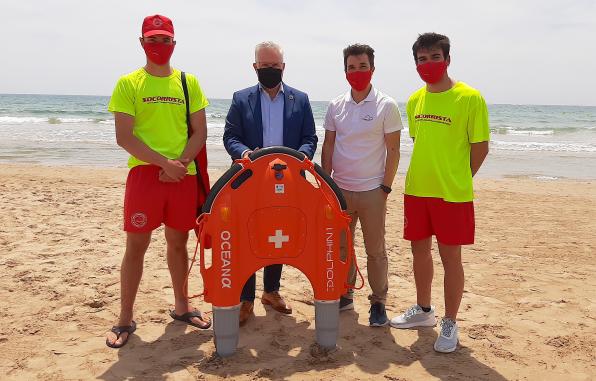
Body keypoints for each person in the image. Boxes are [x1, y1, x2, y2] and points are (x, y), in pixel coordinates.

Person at [105, 14, 211, 348]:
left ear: (174, 43)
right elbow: (125, 137)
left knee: (178, 244)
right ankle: (124, 319)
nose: (159, 46)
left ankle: (182, 307)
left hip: (183, 174)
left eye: (165, 40)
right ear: (142, 43)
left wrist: (179, 164)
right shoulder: (128, 83)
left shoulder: (187, 82)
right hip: (144, 175)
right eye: (153, 40)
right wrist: (164, 163)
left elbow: (200, 132)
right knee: (136, 246)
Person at [390, 33, 490, 353]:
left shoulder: (470, 97)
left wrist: (461, 177)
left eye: (434, 57)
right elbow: (423, 143)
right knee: (419, 252)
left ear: (447, 59)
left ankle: (450, 321)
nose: (428, 64)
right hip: (417, 190)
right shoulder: (415, 99)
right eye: (421, 59)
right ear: (416, 63)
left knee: (451, 259)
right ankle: (423, 311)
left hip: (452, 195)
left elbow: (480, 146)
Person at [223, 41, 317, 326]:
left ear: (283, 67)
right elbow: (230, 136)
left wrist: (303, 156)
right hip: (249, 181)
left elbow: (309, 138)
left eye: (275, 66)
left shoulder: (300, 99)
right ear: (255, 67)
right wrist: (244, 154)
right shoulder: (241, 99)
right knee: (247, 237)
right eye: (264, 67)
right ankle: (246, 298)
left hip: (287, 183)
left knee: (279, 234)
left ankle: (271, 291)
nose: (270, 71)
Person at [321, 44, 403, 327]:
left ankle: (378, 302)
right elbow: (329, 144)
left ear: (372, 69)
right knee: (341, 248)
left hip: (372, 191)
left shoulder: (387, 105)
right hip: (340, 190)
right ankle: (345, 294)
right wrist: (325, 182)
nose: (357, 72)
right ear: (345, 71)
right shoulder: (335, 105)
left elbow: (394, 151)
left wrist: (385, 188)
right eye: (352, 67)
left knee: (375, 250)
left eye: (362, 66)